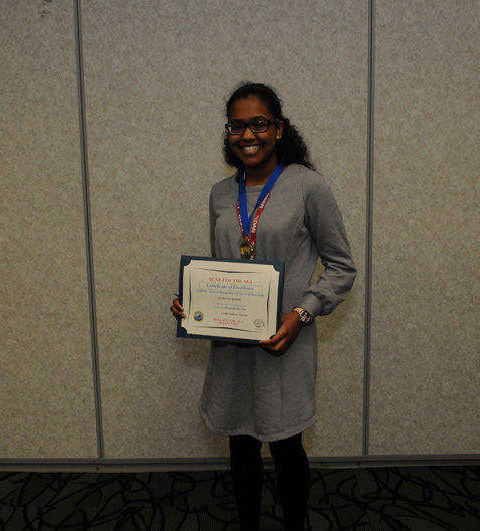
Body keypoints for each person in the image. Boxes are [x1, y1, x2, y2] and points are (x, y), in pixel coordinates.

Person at [171, 82, 356, 531]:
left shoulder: (308, 186)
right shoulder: (221, 192)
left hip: (284, 343)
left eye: (259, 123)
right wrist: (194, 302)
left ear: (278, 128)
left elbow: (342, 267)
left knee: (287, 447)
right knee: (240, 445)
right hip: (232, 345)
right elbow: (223, 265)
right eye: (237, 125)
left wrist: (303, 313)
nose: (248, 135)